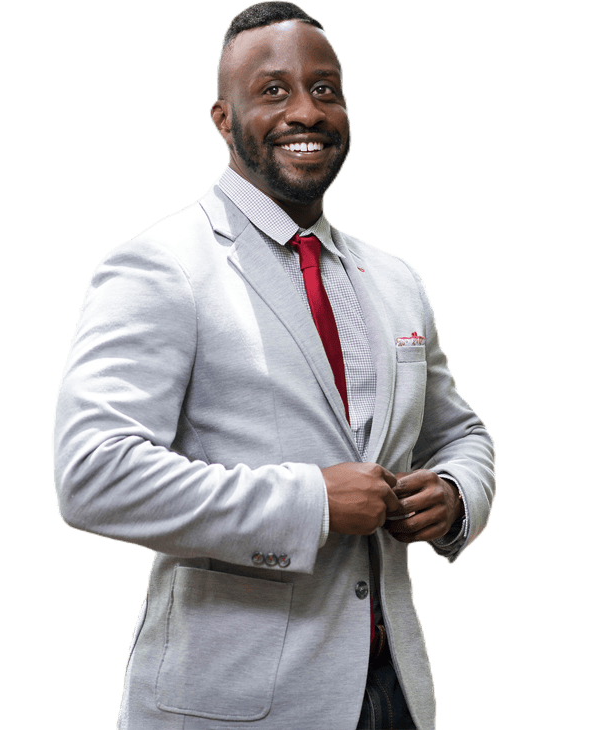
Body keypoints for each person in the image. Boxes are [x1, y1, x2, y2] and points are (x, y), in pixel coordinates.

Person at [52, 2, 495, 729]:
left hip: (396, 694)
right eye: (273, 90)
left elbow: (462, 433)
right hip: (233, 704)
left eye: (326, 89)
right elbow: (94, 473)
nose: (306, 111)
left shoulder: (395, 279)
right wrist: (311, 502)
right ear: (223, 119)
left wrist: (453, 495)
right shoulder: (161, 267)